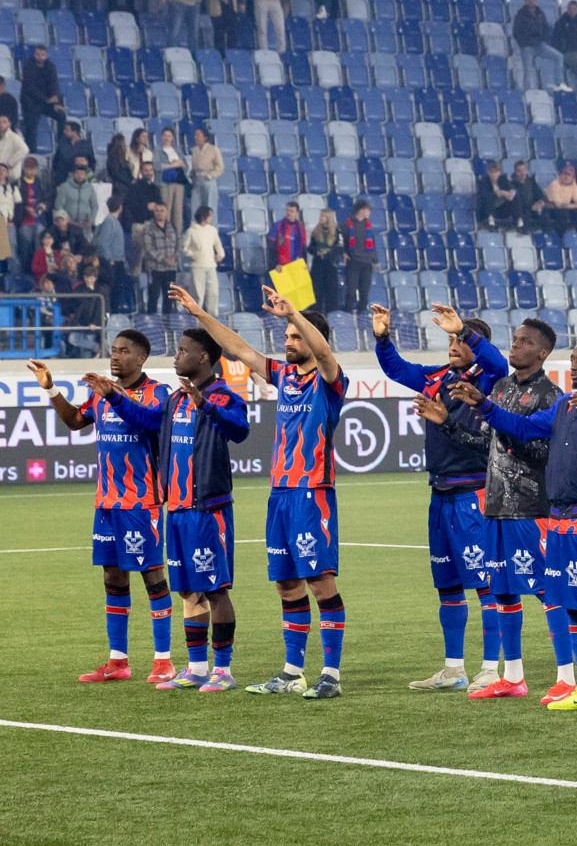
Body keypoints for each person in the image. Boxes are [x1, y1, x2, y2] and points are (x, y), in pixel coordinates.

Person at [171, 285, 351, 702]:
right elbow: (239, 349)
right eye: (286, 337)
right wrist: (199, 312)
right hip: (280, 494)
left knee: (320, 583)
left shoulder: (330, 381)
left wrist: (294, 316)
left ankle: (330, 673)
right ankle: (291, 671)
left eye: (293, 337)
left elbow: (324, 354)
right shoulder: (284, 376)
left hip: (312, 493)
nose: (287, 342)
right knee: (287, 585)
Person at [464, 337, 577, 714]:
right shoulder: (562, 405)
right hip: (557, 518)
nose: (574, 365)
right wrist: (483, 405)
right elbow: (522, 427)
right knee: (570, 603)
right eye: (572, 359)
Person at [85, 326, 249, 691]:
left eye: (183, 350)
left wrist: (205, 405)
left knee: (217, 589)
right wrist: (113, 397)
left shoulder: (222, 394)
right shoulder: (174, 400)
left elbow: (240, 429)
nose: (176, 356)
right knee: (188, 590)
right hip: (175, 507)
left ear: (203, 356)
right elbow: (145, 421)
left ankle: (223, 670)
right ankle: (196, 668)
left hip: (208, 508)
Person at [374, 303, 508, 692]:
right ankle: (453, 669)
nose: (452, 344)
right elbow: (396, 369)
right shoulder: (435, 378)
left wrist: (464, 329)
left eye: (459, 340)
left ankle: (489, 668)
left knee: (485, 584)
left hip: (474, 495)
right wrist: (383, 338)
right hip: (440, 495)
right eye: (449, 338)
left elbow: (496, 359)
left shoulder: (491, 379)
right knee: (447, 585)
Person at [31, 339, 177, 684]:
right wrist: (51, 389)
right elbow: (75, 421)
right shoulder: (100, 391)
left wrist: (112, 394)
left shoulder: (159, 393)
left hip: (141, 503)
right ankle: (118, 661)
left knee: (152, 577)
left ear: (141, 358)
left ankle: (163, 661)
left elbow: (149, 421)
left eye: (124, 350)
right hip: (107, 504)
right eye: (113, 349)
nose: (115, 355)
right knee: (113, 578)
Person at [451, 316, 570, 700]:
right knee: (502, 590)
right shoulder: (501, 387)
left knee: (547, 591)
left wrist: (506, 427)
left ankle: (567, 677)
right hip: (496, 505)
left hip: (531, 506)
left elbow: (543, 450)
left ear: (542, 352)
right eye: (514, 339)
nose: (514, 346)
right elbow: (488, 442)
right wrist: (447, 424)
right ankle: (513, 677)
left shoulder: (550, 396)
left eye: (523, 341)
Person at [183, 206, 225, 316]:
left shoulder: (212, 230)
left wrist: (220, 254)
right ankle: (196, 319)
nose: (211, 217)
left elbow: (217, 244)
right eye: (209, 215)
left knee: (213, 293)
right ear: (203, 216)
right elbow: (184, 248)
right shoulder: (191, 231)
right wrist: (191, 255)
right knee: (198, 295)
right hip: (198, 267)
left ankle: (213, 319)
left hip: (211, 265)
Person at [342, 199, 377, 312]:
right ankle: (347, 314)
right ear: (361, 210)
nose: (370, 213)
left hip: (367, 263)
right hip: (353, 262)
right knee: (351, 291)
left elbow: (373, 244)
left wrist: (375, 260)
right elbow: (340, 241)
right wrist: (343, 252)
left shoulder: (369, 226)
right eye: (368, 210)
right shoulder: (346, 225)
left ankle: (362, 315)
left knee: (364, 292)